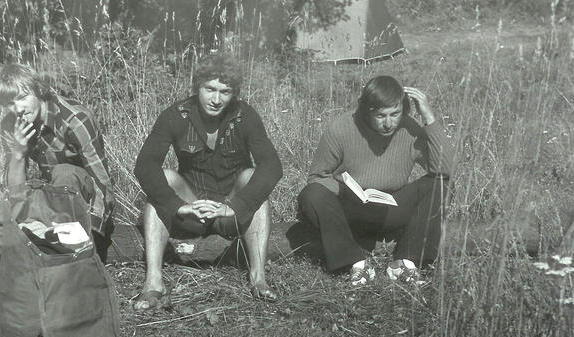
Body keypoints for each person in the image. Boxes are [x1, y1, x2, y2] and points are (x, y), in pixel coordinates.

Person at [134, 52, 283, 309]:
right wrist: (178, 206)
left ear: (233, 93)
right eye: (210, 89)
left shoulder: (244, 115)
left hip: (231, 210)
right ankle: (153, 282)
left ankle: (258, 278)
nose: (216, 99)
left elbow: (272, 166)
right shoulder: (176, 114)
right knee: (165, 178)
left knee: (251, 177)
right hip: (192, 209)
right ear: (197, 87)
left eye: (225, 92)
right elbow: (145, 165)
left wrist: (235, 206)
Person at [298, 75, 454, 284]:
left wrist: (429, 118)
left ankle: (405, 262)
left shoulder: (409, 128)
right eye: (381, 116)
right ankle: (355, 263)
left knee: (440, 185)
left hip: (392, 205)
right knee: (312, 194)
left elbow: (444, 169)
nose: (389, 123)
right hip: (352, 207)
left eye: (395, 114)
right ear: (366, 111)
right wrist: (345, 188)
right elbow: (317, 177)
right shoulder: (341, 128)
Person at [0, 63, 115, 267]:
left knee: (64, 172)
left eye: (22, 97)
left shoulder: (75, 119)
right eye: (10, 103)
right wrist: (19, 153)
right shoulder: (10, 125)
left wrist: (94, 235)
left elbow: (102, 185)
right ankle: (45, 260)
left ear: (38, 90)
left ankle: (68, 256)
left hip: (81, 207)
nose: (18, 109)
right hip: (48, 205)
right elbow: (16, 193)